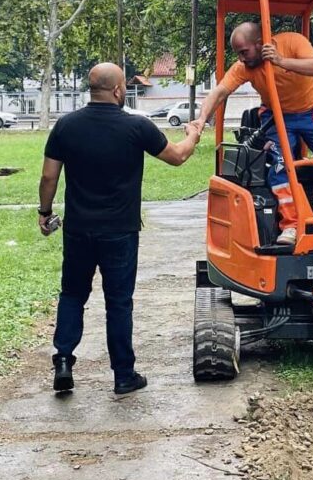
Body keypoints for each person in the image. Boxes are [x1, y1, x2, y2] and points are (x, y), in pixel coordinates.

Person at [38, 62, 201, 395]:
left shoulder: (66, 127)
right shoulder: (136, 127)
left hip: (78, 231)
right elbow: (178, 157)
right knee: (119, 302)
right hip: (120, 231)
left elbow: (48, 176)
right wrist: (194, 134)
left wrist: (45, 212)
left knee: (72, 294)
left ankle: (64, 360)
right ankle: (123, 375)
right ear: (116, 90)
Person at [190, 22, 313, 245]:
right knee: (281, 167)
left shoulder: (292, 42)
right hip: (277, 116)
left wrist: (280, 61)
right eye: (238, 54)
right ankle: (291, 225)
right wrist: (201, 119)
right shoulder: (244, 68)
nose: (242, 59)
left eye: (244, 52)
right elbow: (219, 92)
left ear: (260, 44)